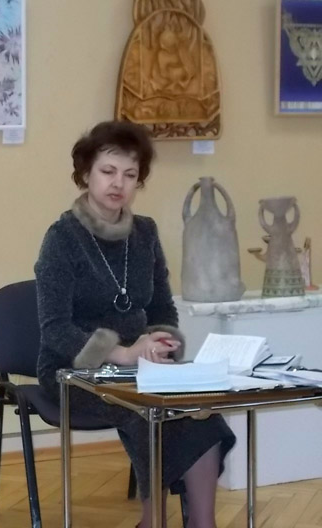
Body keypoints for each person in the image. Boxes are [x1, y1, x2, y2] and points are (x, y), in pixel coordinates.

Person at [34, 121, 234, 528]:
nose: (118, 183)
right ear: (85, 173)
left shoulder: (145, 233)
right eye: (108, 171)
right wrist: (122, 353)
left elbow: (162, 308)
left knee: (200, 413)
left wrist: (161, 341)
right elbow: (55, 329)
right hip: (73, 371)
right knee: (146, 411)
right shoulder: (61, 238)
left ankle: (203, 523)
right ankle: (152, 521)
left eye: (130, 174)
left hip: (141, 366)